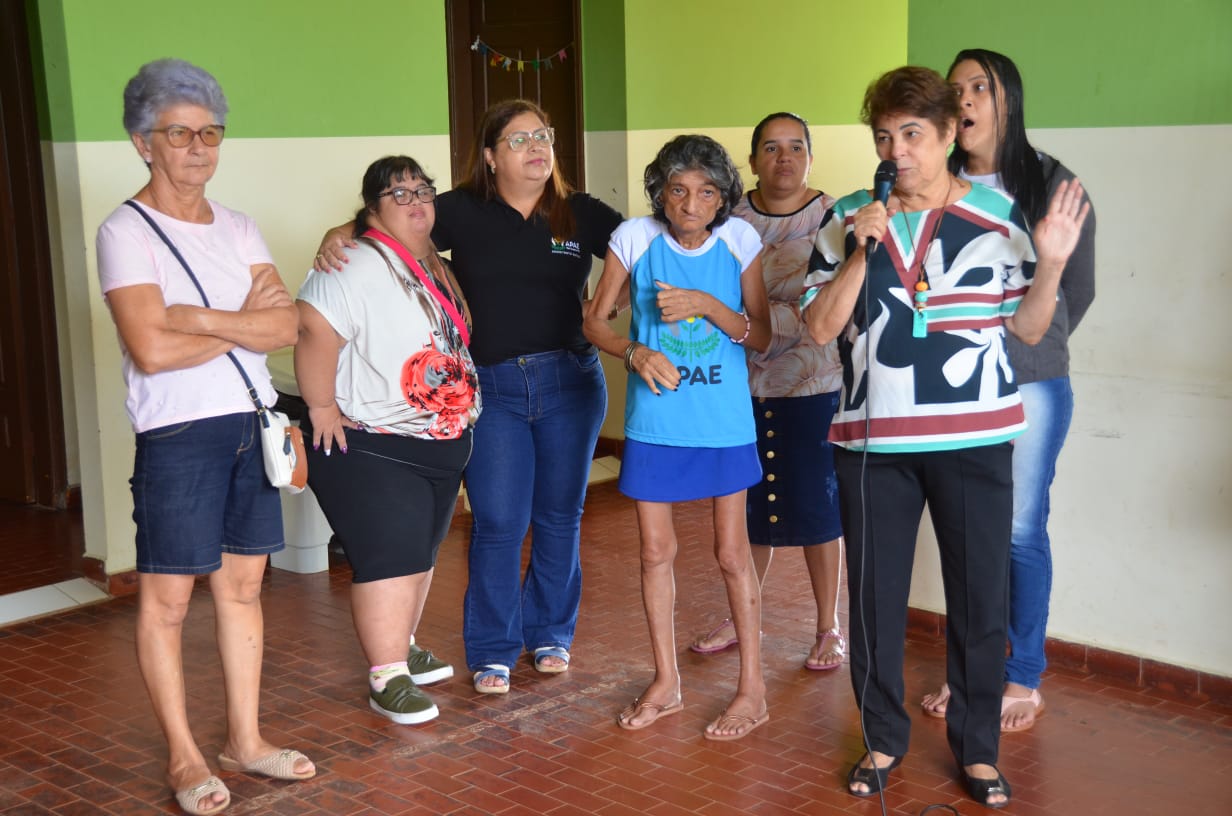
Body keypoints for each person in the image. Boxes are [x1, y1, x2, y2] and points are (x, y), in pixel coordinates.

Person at [800, 66, 1088, 808]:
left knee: (979, 599)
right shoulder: (849, 218)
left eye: (913, 135)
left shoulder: (997, 216)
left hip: (975, 436)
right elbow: (818, 327)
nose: (898, 151)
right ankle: (883, 738)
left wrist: (1051, 262)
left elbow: (1027, 328)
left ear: (949, 134)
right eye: (885, 137)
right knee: (874, 602)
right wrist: (863, 249)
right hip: (872, 445)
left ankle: (979, 750)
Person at [316, 100, 622, 693]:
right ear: (489, 156)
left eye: (543, 136)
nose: (536, 147)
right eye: (518, 140)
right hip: (494, 388)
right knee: (500, 522)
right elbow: (396, 224)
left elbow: (643, 244)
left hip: (571, 383)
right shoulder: (461, 211)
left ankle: (553, 633)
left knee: (559, 517)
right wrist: (343, 230)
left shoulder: (577, 212)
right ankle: (493, 649)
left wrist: (605, 308)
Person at [95, 58, 315, 816]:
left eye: (210, 133)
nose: (197, 148)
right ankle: (184, 756)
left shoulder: (239, 226)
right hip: (178, 431)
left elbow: (286, 326)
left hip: (249, 427)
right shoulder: (125, 231)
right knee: (165, 602)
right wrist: (240, 328)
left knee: (245, 589)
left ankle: (244, 741)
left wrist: (194, 317)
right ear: (142, 142)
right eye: (179, 133)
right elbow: (150, 351)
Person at [919, 48, 1097, 733]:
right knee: (969, 534)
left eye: (978, 88)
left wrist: (1028, 342)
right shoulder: (937, 182)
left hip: (1030, 384)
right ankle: (973, 672)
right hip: (946, 386)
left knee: (1019, 533)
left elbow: (1075, 287)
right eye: (954, 89)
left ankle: (1022, 676)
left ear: (1005, 99)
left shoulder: (1050, 183)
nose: (964, 100)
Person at [584, 135, 772, 740]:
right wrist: (633, 350)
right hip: (657, 422)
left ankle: (753, 690)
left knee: (731, 554)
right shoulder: (633, 239)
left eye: (707, 192)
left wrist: (707, 306)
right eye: (679, 191)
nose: (692, 204)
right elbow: (593, 319)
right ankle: (666, 681)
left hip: (722, 422)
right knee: (654, 553)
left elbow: (760, 333)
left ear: (723, 200)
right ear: (660, 194)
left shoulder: (741, 241)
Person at [295, 156, 480, 725]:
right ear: (370, 210)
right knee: (389, 556)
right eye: (398, 194)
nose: (416, 200)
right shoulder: (348, 262)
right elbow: (312, 326)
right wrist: (321, 405)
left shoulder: (434, 263)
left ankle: (398, 642)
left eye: (422, 190)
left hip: (440, 441)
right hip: (374, 442)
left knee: (420, 554)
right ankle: (386, 676)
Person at [688, 113, 846, 672]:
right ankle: (742, 612)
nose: (784, 158)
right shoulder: (730, 221)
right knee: (747, 510)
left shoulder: (834, 217)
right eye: (771, 148)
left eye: (796, 147)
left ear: (809, 155)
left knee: (818, 509)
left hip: (814, 382)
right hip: (742, 386)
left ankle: (828, 626)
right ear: (752, 160)